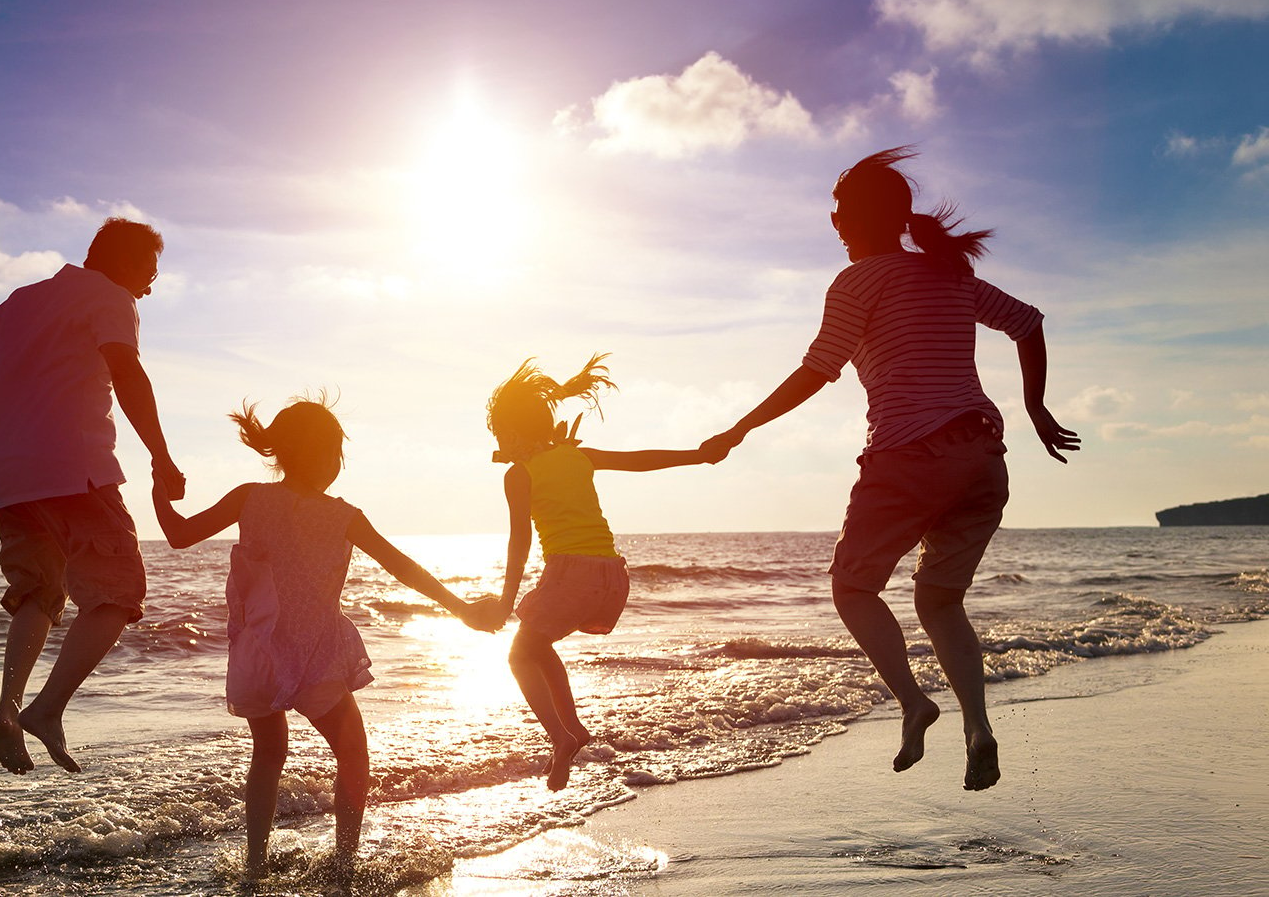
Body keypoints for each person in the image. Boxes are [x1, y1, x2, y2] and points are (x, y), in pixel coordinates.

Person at [701, 147, 1080, 791]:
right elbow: (1028, 323)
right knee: (939, 599)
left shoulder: (859, 281)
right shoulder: (946, 274)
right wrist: (1036, 408)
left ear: (864, 220)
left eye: (842, 210)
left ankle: (913, 702)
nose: (834, 220)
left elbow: (817, 370)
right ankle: (977, 727)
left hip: (911, 454)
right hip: (984, 458)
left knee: (852, 587)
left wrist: (741, 426)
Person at [151, 396, 502, 883]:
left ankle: (254, 865)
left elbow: (178, 535)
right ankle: (343, 864)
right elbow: (402, 568)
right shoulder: (344, 515)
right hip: (314, 653)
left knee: (269, 754)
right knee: (353, 750)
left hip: (257, 655)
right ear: (326, 456)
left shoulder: (248, 496)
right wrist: (461, 609)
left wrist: (157, 490)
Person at [0, 217, 187, 776]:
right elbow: (127, 371)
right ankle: (46, 710)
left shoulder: (25, 299)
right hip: (76, 468)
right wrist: (161, 456)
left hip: (6, 475)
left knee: (39, 593)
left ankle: (7, 706)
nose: (150, 283)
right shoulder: (111, 297)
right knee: (119, 593)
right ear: (120, 260)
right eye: (149, 270)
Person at [487, 354, 716, 791]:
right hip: (612, 576)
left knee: (519, 655)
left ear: (515, 433)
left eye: (500, 433)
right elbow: (640, 460)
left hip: (570, 574)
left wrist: (503, 601)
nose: (498, 443)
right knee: (537, 645)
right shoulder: (579, 456)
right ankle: (572, 730)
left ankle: (562, 735)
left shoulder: (520, 475)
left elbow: (520, 543)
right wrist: (698, 455)